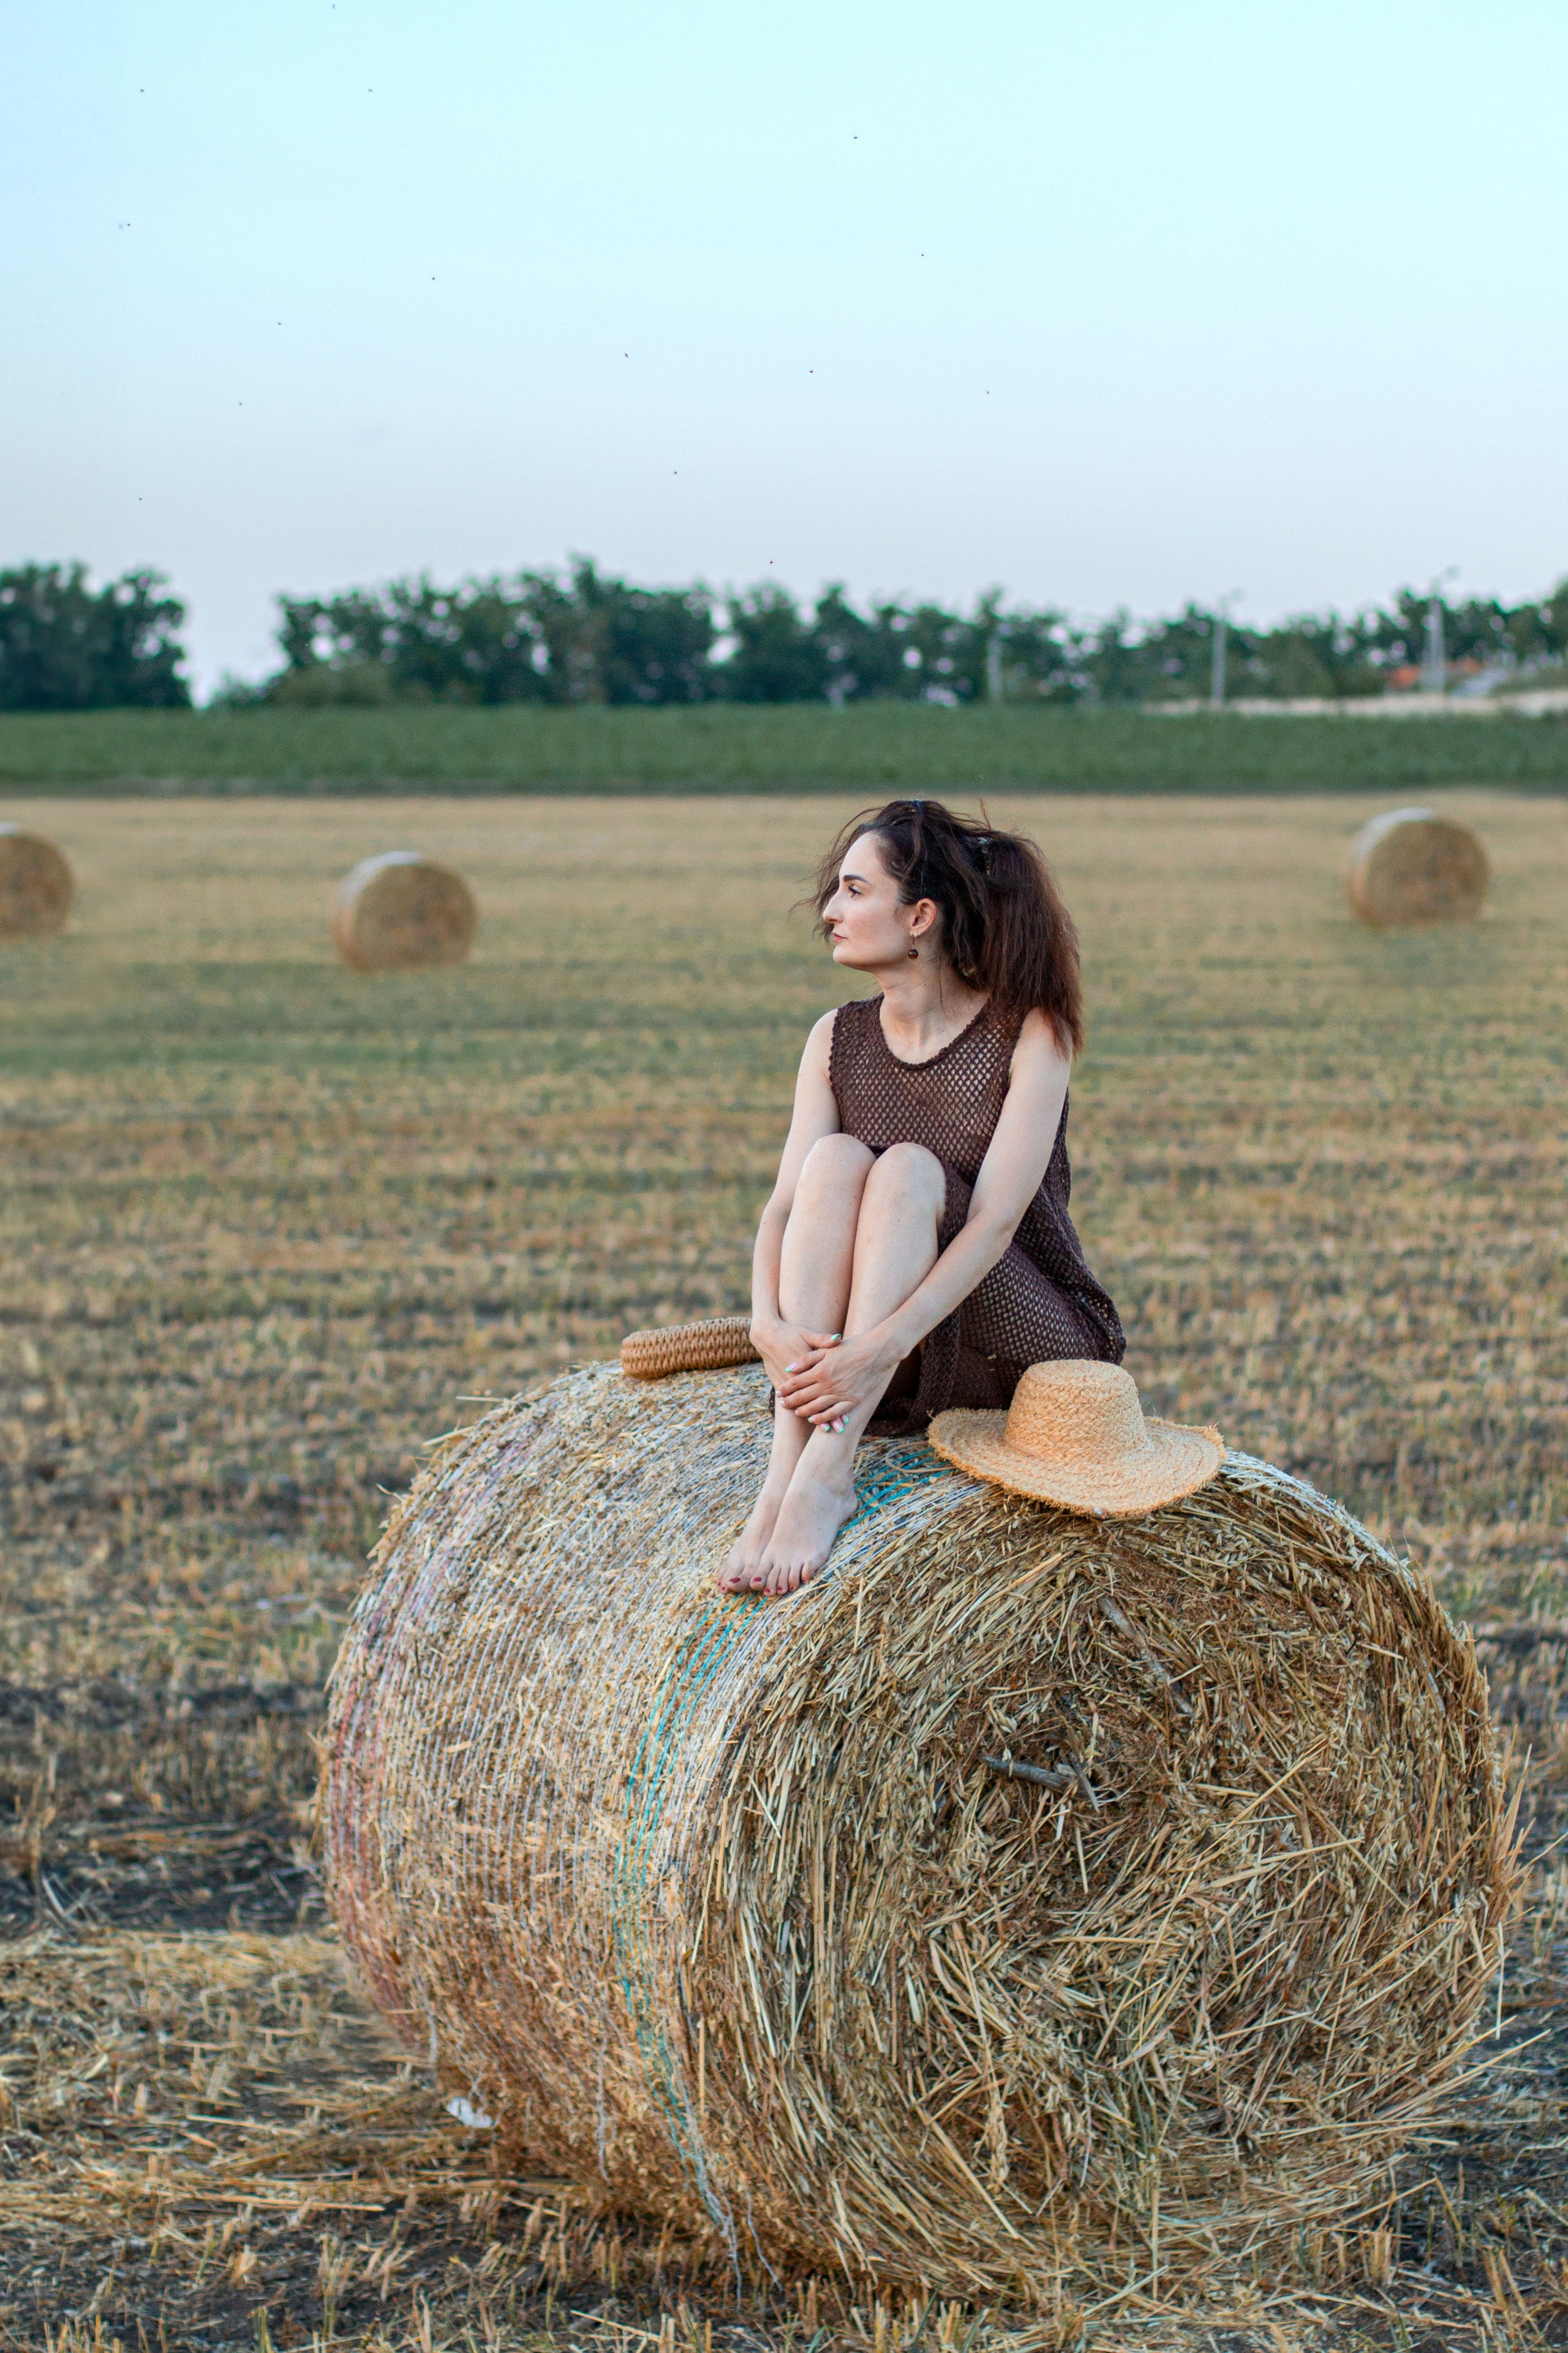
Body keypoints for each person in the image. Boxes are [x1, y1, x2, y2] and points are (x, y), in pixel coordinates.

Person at [718, 798, 1124, 1600]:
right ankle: (785, 1476)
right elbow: (782, 1208)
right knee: (835, 1161)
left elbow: (996, 1222)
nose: (829, 911)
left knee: (907, 1168)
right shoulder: (834, 1037)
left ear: (920, 916)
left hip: (1011, 1335)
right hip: (880, 1355)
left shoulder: (1031, 1032)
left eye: (854, 890)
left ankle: (831, 1469)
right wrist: (765, 1321)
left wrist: (876, 1347)